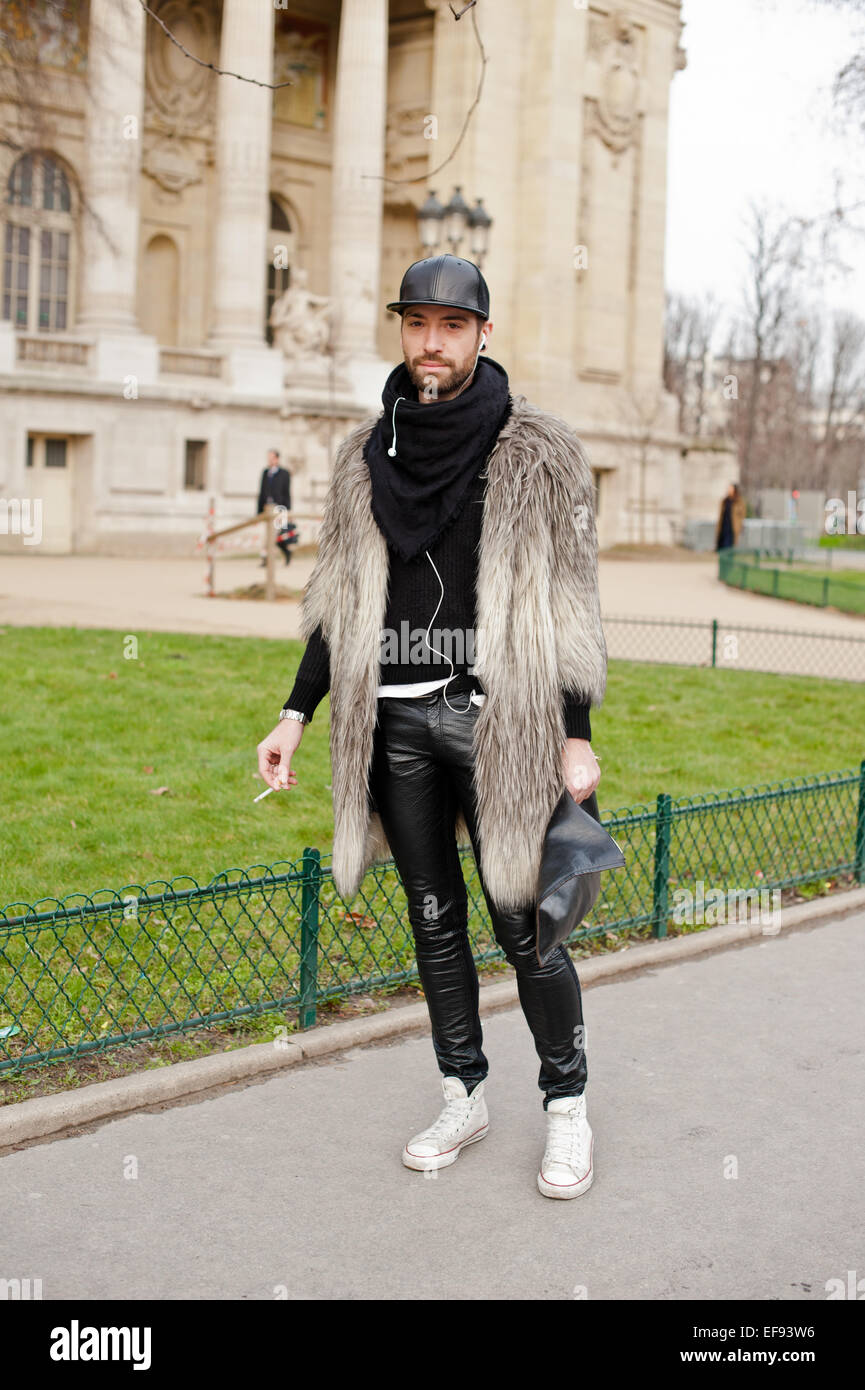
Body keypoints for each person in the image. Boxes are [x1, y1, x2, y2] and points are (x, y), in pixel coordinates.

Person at [256, 254, 607, 1200]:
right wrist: (296, 712)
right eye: (417, 323)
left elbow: (565, 604)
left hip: (499, 723)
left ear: (482, 335)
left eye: (452, 326)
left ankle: (566, 1107)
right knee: (431, 918)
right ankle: (463, 1091)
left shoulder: (535, 450)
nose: (432, 342)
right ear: (403, 331)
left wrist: (575, 732)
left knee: (523, 924)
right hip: (395, 727)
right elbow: (337, 601)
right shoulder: (367, 454)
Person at [257, 449, 296, 566]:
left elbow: (287, 493)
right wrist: (259, 510)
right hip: (267, 508)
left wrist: (288, 511)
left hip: (280, 508)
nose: (269, 460)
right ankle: (267, 558)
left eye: (272, 457)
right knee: (268, 534)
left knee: (278, 536)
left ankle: (284, 553)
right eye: (268, 457)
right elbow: (261, 491)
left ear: (277, 459)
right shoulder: (265, 472)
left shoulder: (284, 473)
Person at [715, 481, 745, 551]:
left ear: (734, 490)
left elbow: (742, 516)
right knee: (722, 548)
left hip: (732, 529)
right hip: (723, 528)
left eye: (730, 488)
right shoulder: (725, 501)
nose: (728, 490)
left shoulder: (739, 502)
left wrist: (739, 527)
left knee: (729, 549)